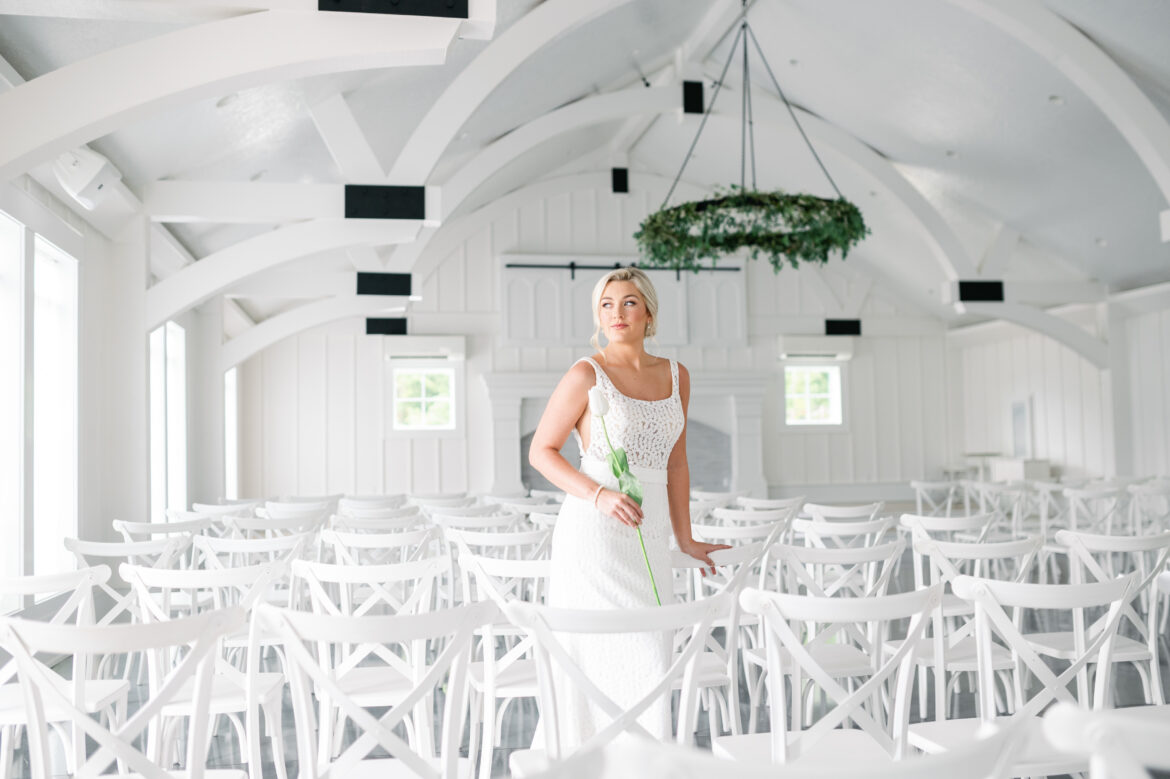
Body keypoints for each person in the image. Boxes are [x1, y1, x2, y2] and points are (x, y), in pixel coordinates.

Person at [528, 266, 729, 750]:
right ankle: (585, 759)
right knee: (601, 653)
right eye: (607, 304)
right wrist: (598, 495)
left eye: (629, 302)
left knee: (651, 651)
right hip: (594, 533)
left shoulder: (677, 375)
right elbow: (541, 451)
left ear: (649, 313)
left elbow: (676, 464)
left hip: (651, 533)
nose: (617, 313)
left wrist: (685, 538)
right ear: (598, 316)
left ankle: (644, 760)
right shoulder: (586, 373)